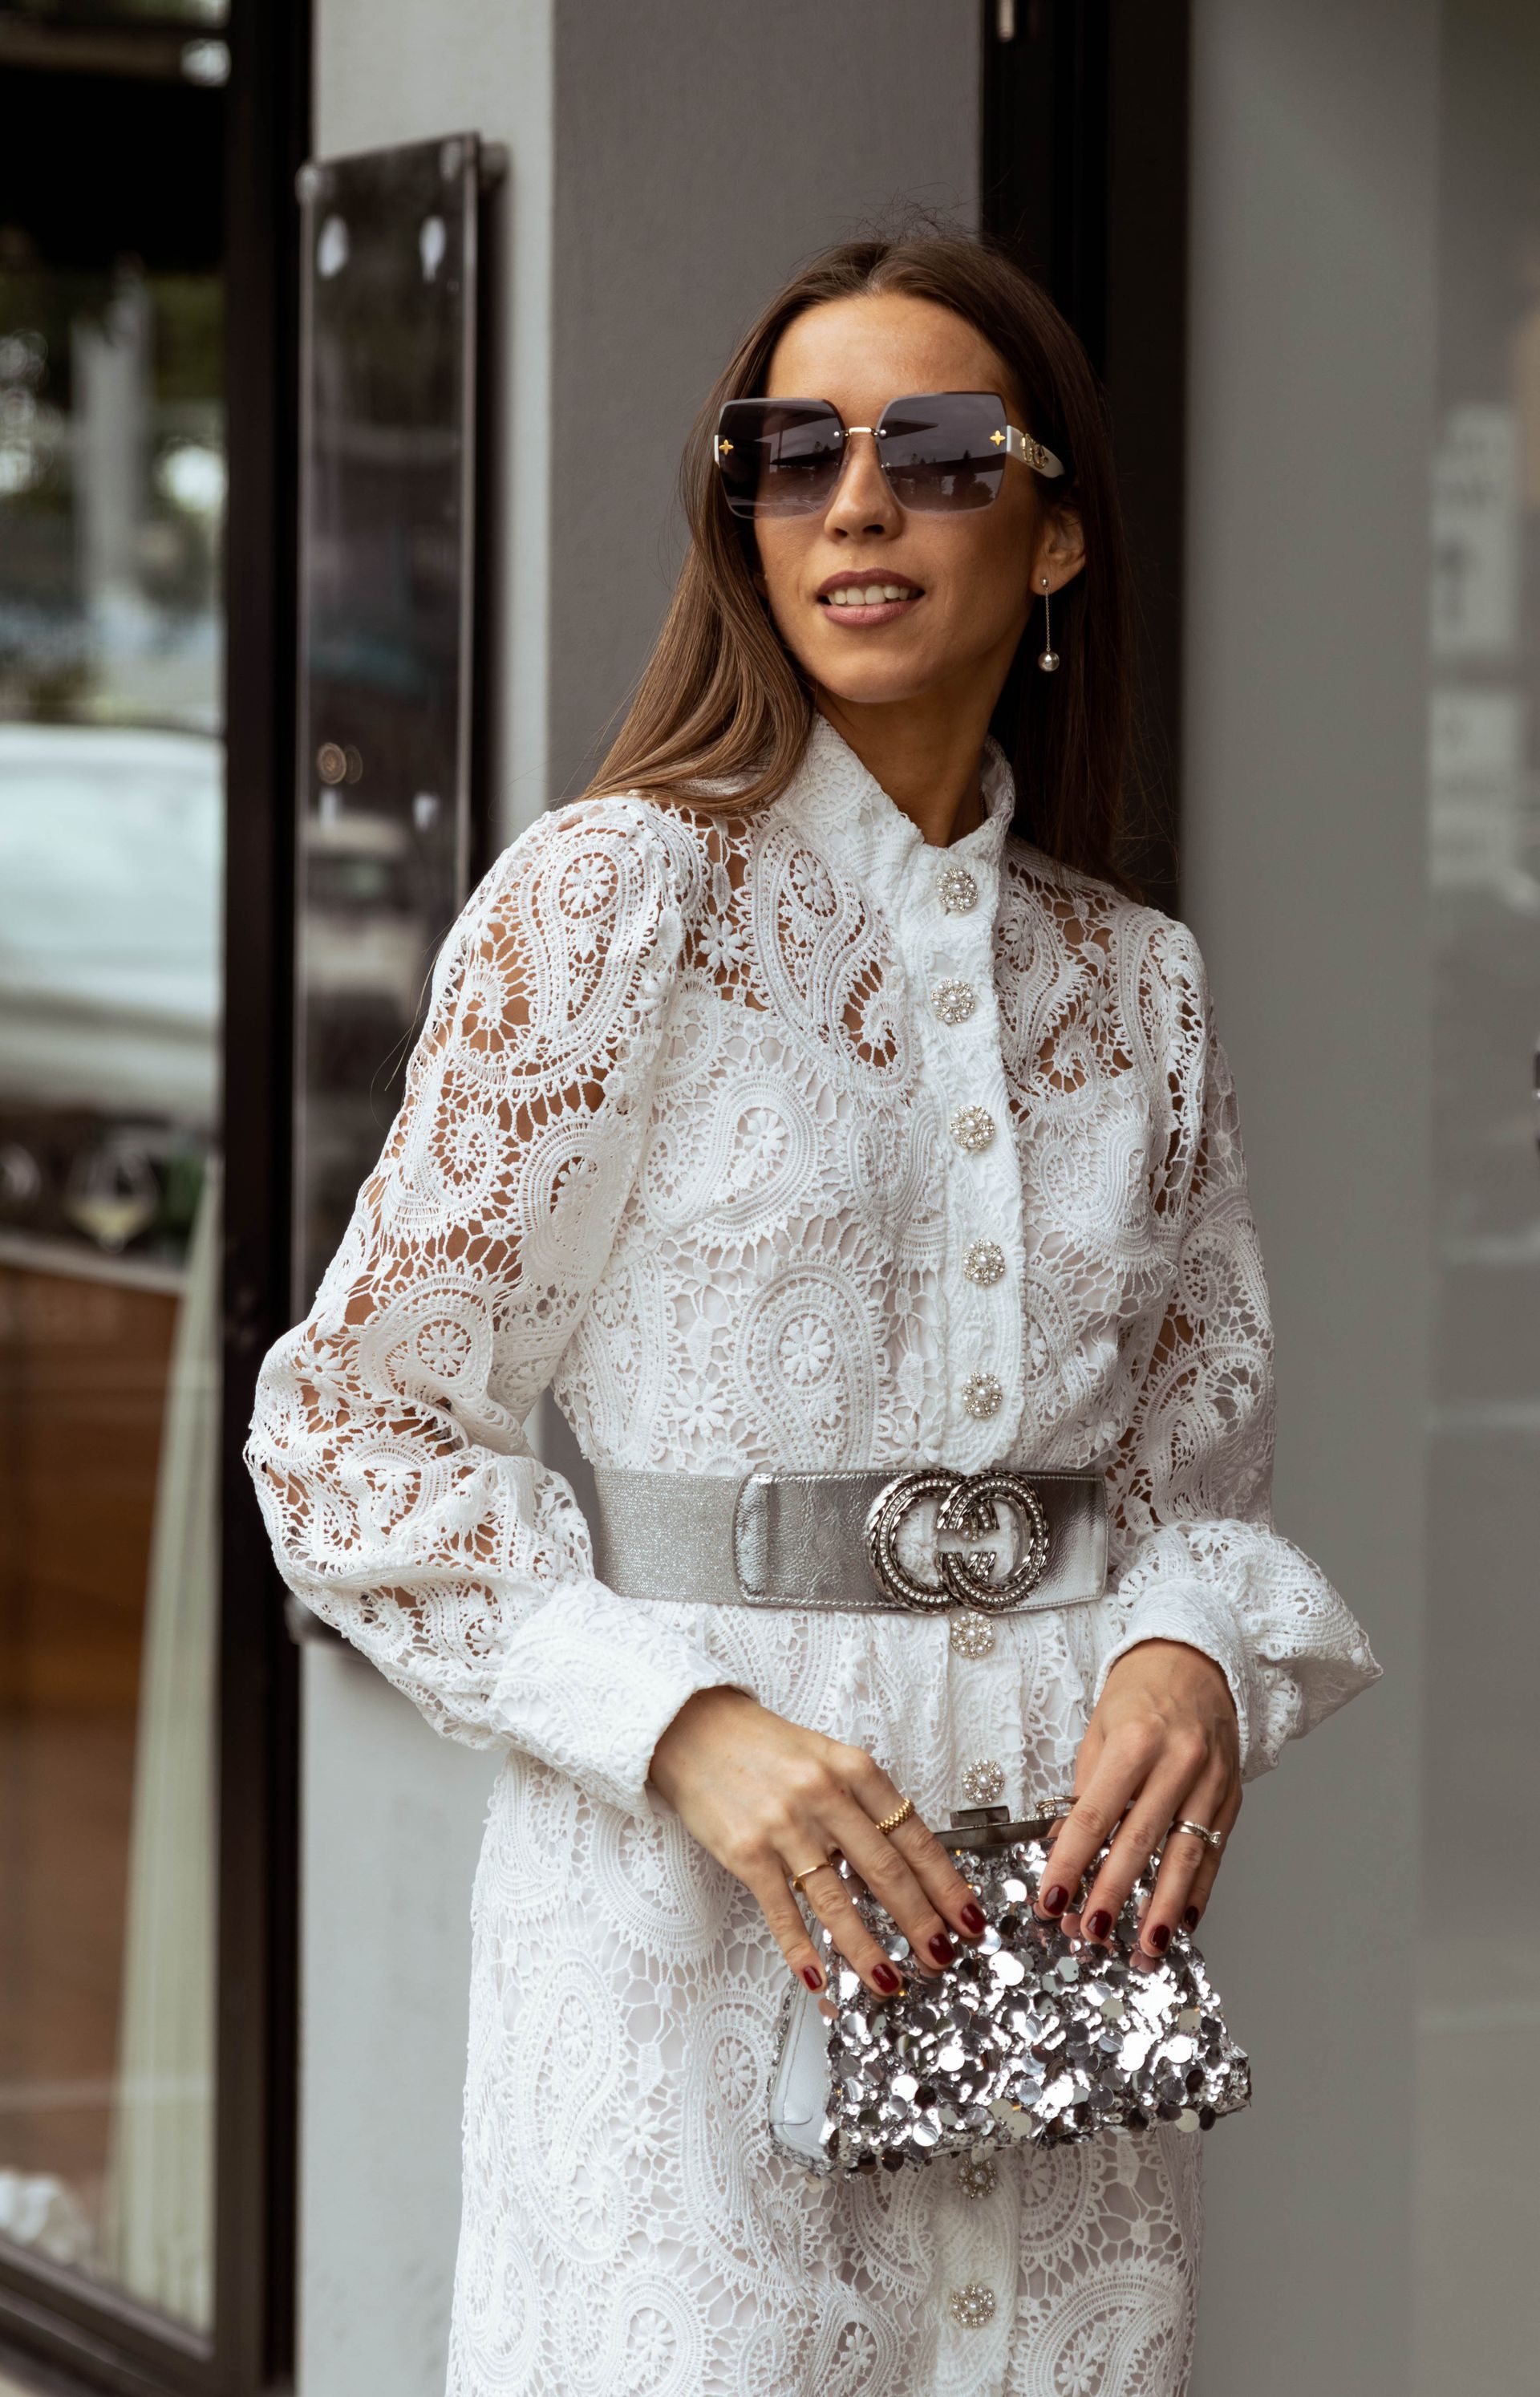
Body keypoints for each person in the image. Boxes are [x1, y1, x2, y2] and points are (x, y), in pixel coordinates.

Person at [246, 229, 1381, 2396]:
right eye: (793, 452)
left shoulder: (1137, 981)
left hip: (1056, 1968)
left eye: (936, 450)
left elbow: (1196, 1478)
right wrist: (689, 1727)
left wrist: (1189, 1640)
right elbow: (353, 1432)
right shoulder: (619, 898)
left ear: (1053, 535)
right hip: (690, 1933)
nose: (853, 502)